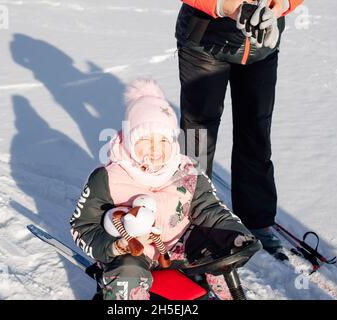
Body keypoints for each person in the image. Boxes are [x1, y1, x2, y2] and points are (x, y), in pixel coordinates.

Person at [70, 79, 255, 300]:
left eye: (163, 141)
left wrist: (234, 234)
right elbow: (83, 226)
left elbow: (211, 210)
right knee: (127, 272)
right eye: (145, 140)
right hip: (133, 251)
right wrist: (112, 248)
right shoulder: (108, 177)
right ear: (129, 140)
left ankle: (232, 296)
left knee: (219, 248)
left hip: (178, 246)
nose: (155, 150)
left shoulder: (187, 171)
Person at [175, 0, 304, 259]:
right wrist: (227, 7)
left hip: (261, 48)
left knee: (255, 130)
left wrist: (279, 7)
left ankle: (256, 219)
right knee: (198, 136)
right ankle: (191, 220)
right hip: (205, 43)